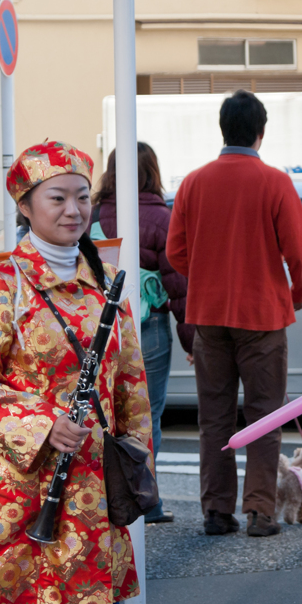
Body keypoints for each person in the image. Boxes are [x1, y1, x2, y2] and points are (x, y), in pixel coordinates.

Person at [0, 141, 152, 604]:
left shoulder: (103, 284)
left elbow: (129, 383)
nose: (74, 210)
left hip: (93, 482)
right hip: (19, 482)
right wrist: (41, 423)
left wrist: (136, 453)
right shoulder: (0, 284)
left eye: (82, 197)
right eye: (57, 198)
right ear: (25, 205)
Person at [167, 89, 302, 538]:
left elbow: (176, 252)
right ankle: (260, 512)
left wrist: (209, 276)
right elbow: (299, 251)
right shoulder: (274, 182)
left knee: (213, 417)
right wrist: (298, 292)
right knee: (264, 416)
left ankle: (216, 511)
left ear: (223, 129)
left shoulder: (194, 182)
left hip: (208, 316)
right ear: (260, 133)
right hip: (263, 317)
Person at [93, 141, 194, 525]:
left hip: (98, 325)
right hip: (148, 326)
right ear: (152, 171)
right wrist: (190, 341)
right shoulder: (161, 218)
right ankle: (147, 501)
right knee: (146, 415)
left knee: (102, 411)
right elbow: (177, 283)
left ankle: (101, 496)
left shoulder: (92, 215)